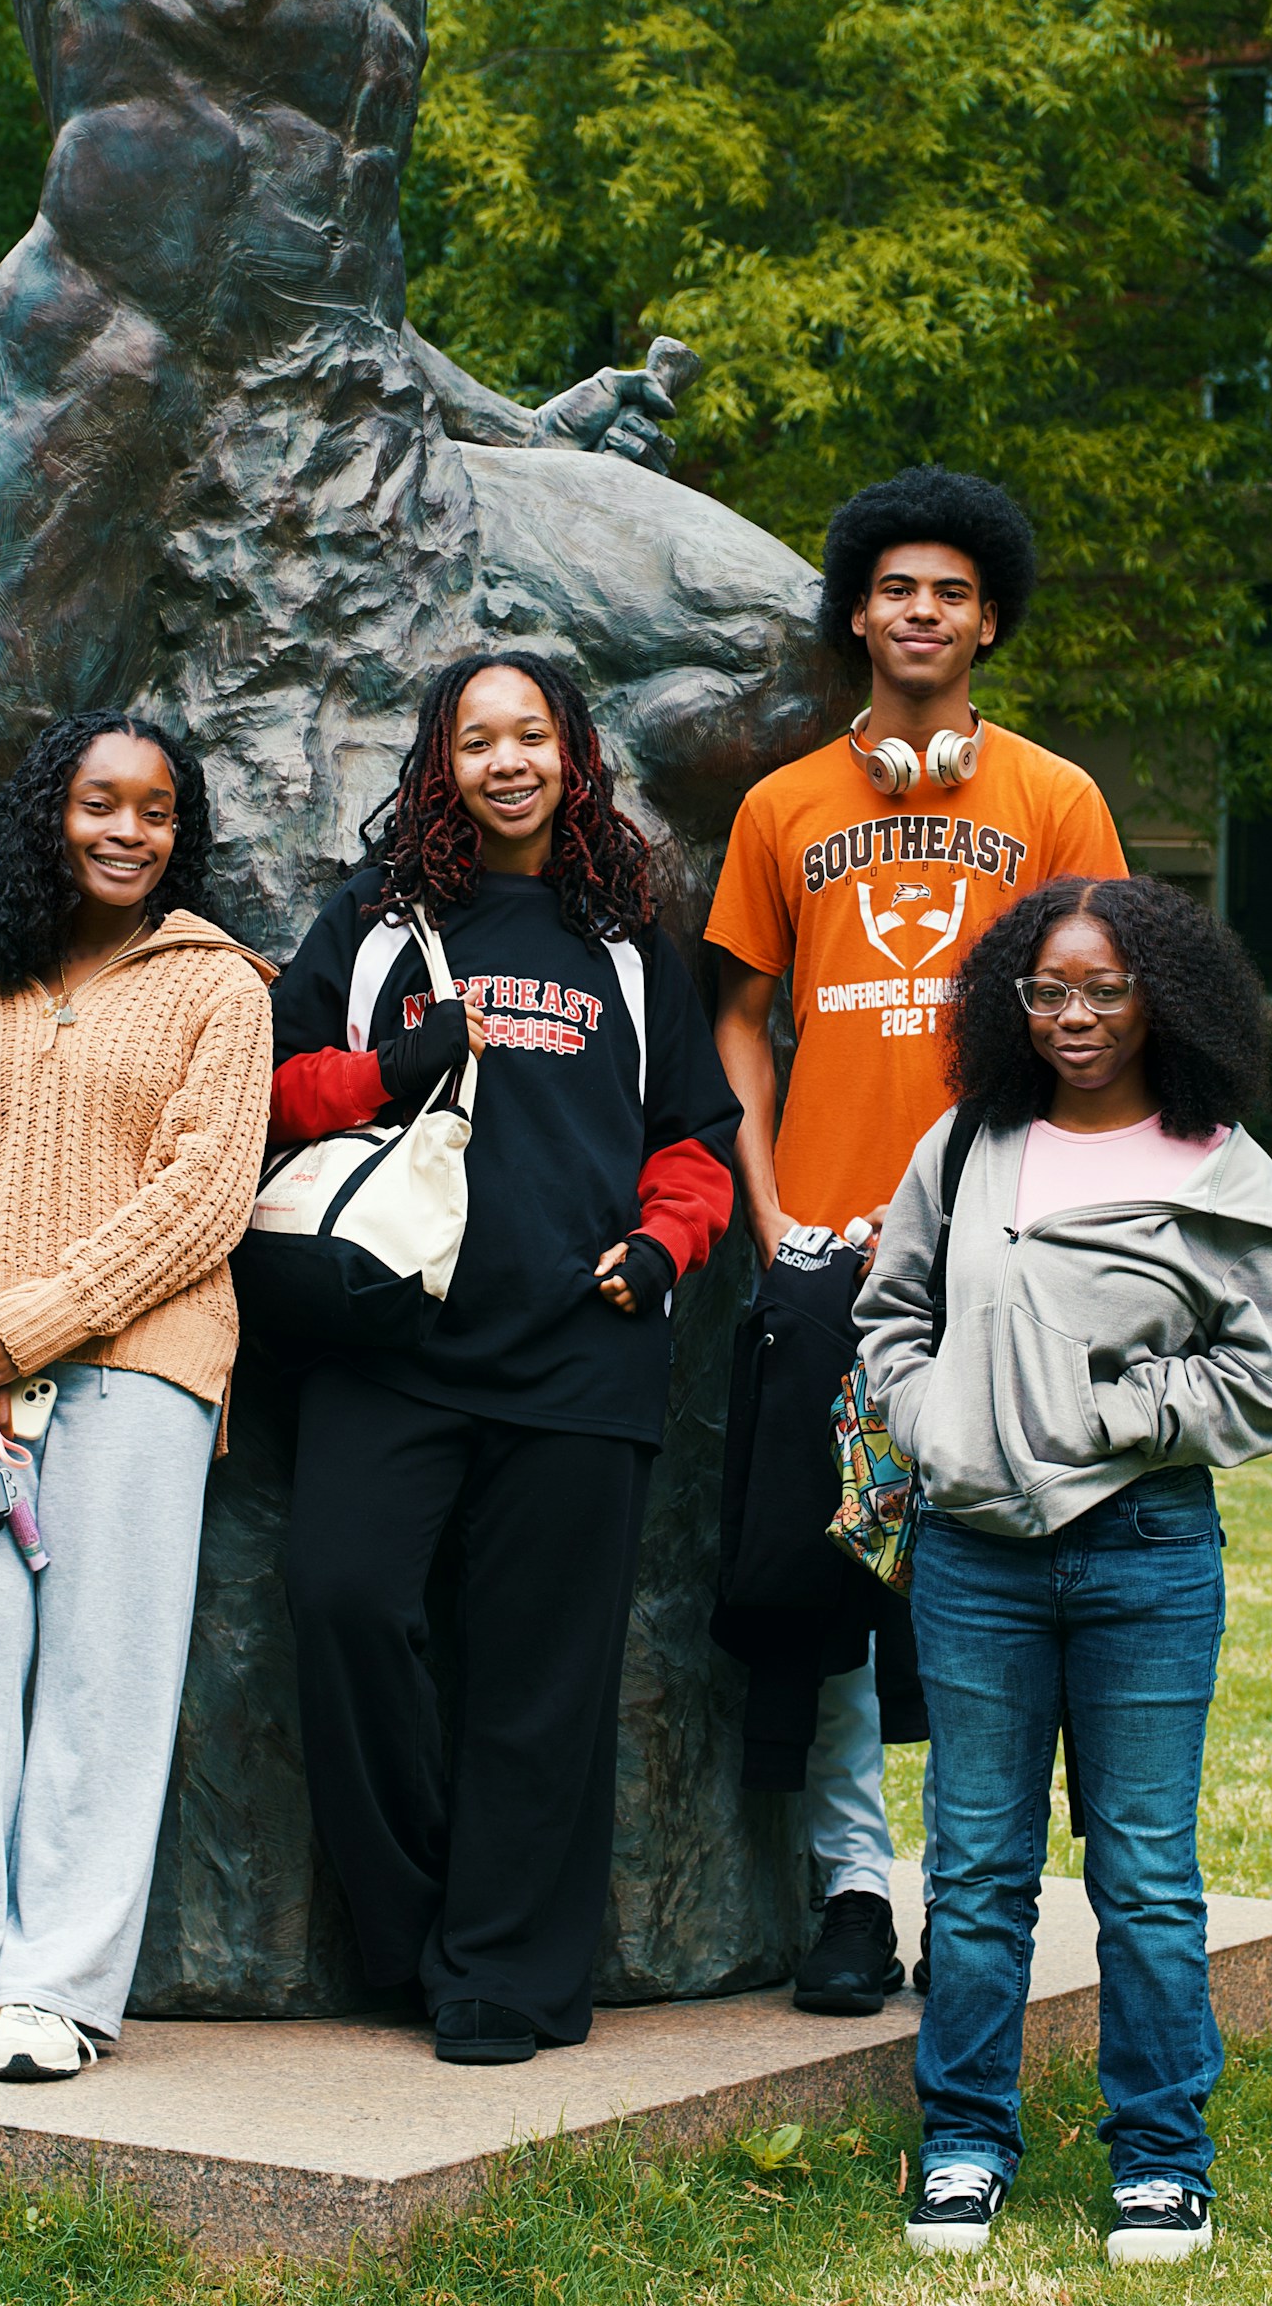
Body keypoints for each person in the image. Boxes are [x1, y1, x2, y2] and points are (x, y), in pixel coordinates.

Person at [268, 651, 740, 2064]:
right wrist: (386, 1068)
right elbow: (273, 1090)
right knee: (342, 1603)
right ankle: (415, 1932)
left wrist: (661, 1250)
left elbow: (698, 1141)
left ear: (571, 756)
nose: (508, 760)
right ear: (442, 765)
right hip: (388, 1343)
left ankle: (506, 1979)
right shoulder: (376, 922)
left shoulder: (624, 940)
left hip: (580, 1362)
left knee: (546, 1680)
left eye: (531, 734)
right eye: (478, 739)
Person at [706, 467, 1125, 2015]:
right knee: (824, 1579)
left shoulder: (1053, 799)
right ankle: (850, 1894)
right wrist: (769, 1205)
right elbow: (739, 1024)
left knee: (986, 1579)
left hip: (1002, 1258)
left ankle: (971, 1900)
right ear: (859, 617)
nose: (922, 612)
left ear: (988, 619)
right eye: (895, 589)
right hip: (825, 1263)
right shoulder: (785, 808)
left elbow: (1109, 1018)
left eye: (950, 591)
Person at [858, 876, 1272, 2265]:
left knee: (1145, 1873)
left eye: (1104, 990)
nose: (1073, 1016)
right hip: (979, 1559)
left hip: (1147, 1554)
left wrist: (1107, 1415)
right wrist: (939, 1421)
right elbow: (892, 1315)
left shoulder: (1216, 1165)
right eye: (1047, 989)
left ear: (1162, 999)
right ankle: (962, 2144)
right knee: (981, 1869)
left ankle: (1164, 2159)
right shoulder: (969, 1146)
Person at [0, 712, 275, 2081]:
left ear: (182, 832)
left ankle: (54, 1987)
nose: (128, 832)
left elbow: (205, 1197)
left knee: (107, 1679)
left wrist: (30, 1328)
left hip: (136, 1377)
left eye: (156, 812)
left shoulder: (219, 987)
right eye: (102, 804)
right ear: (52, 810)